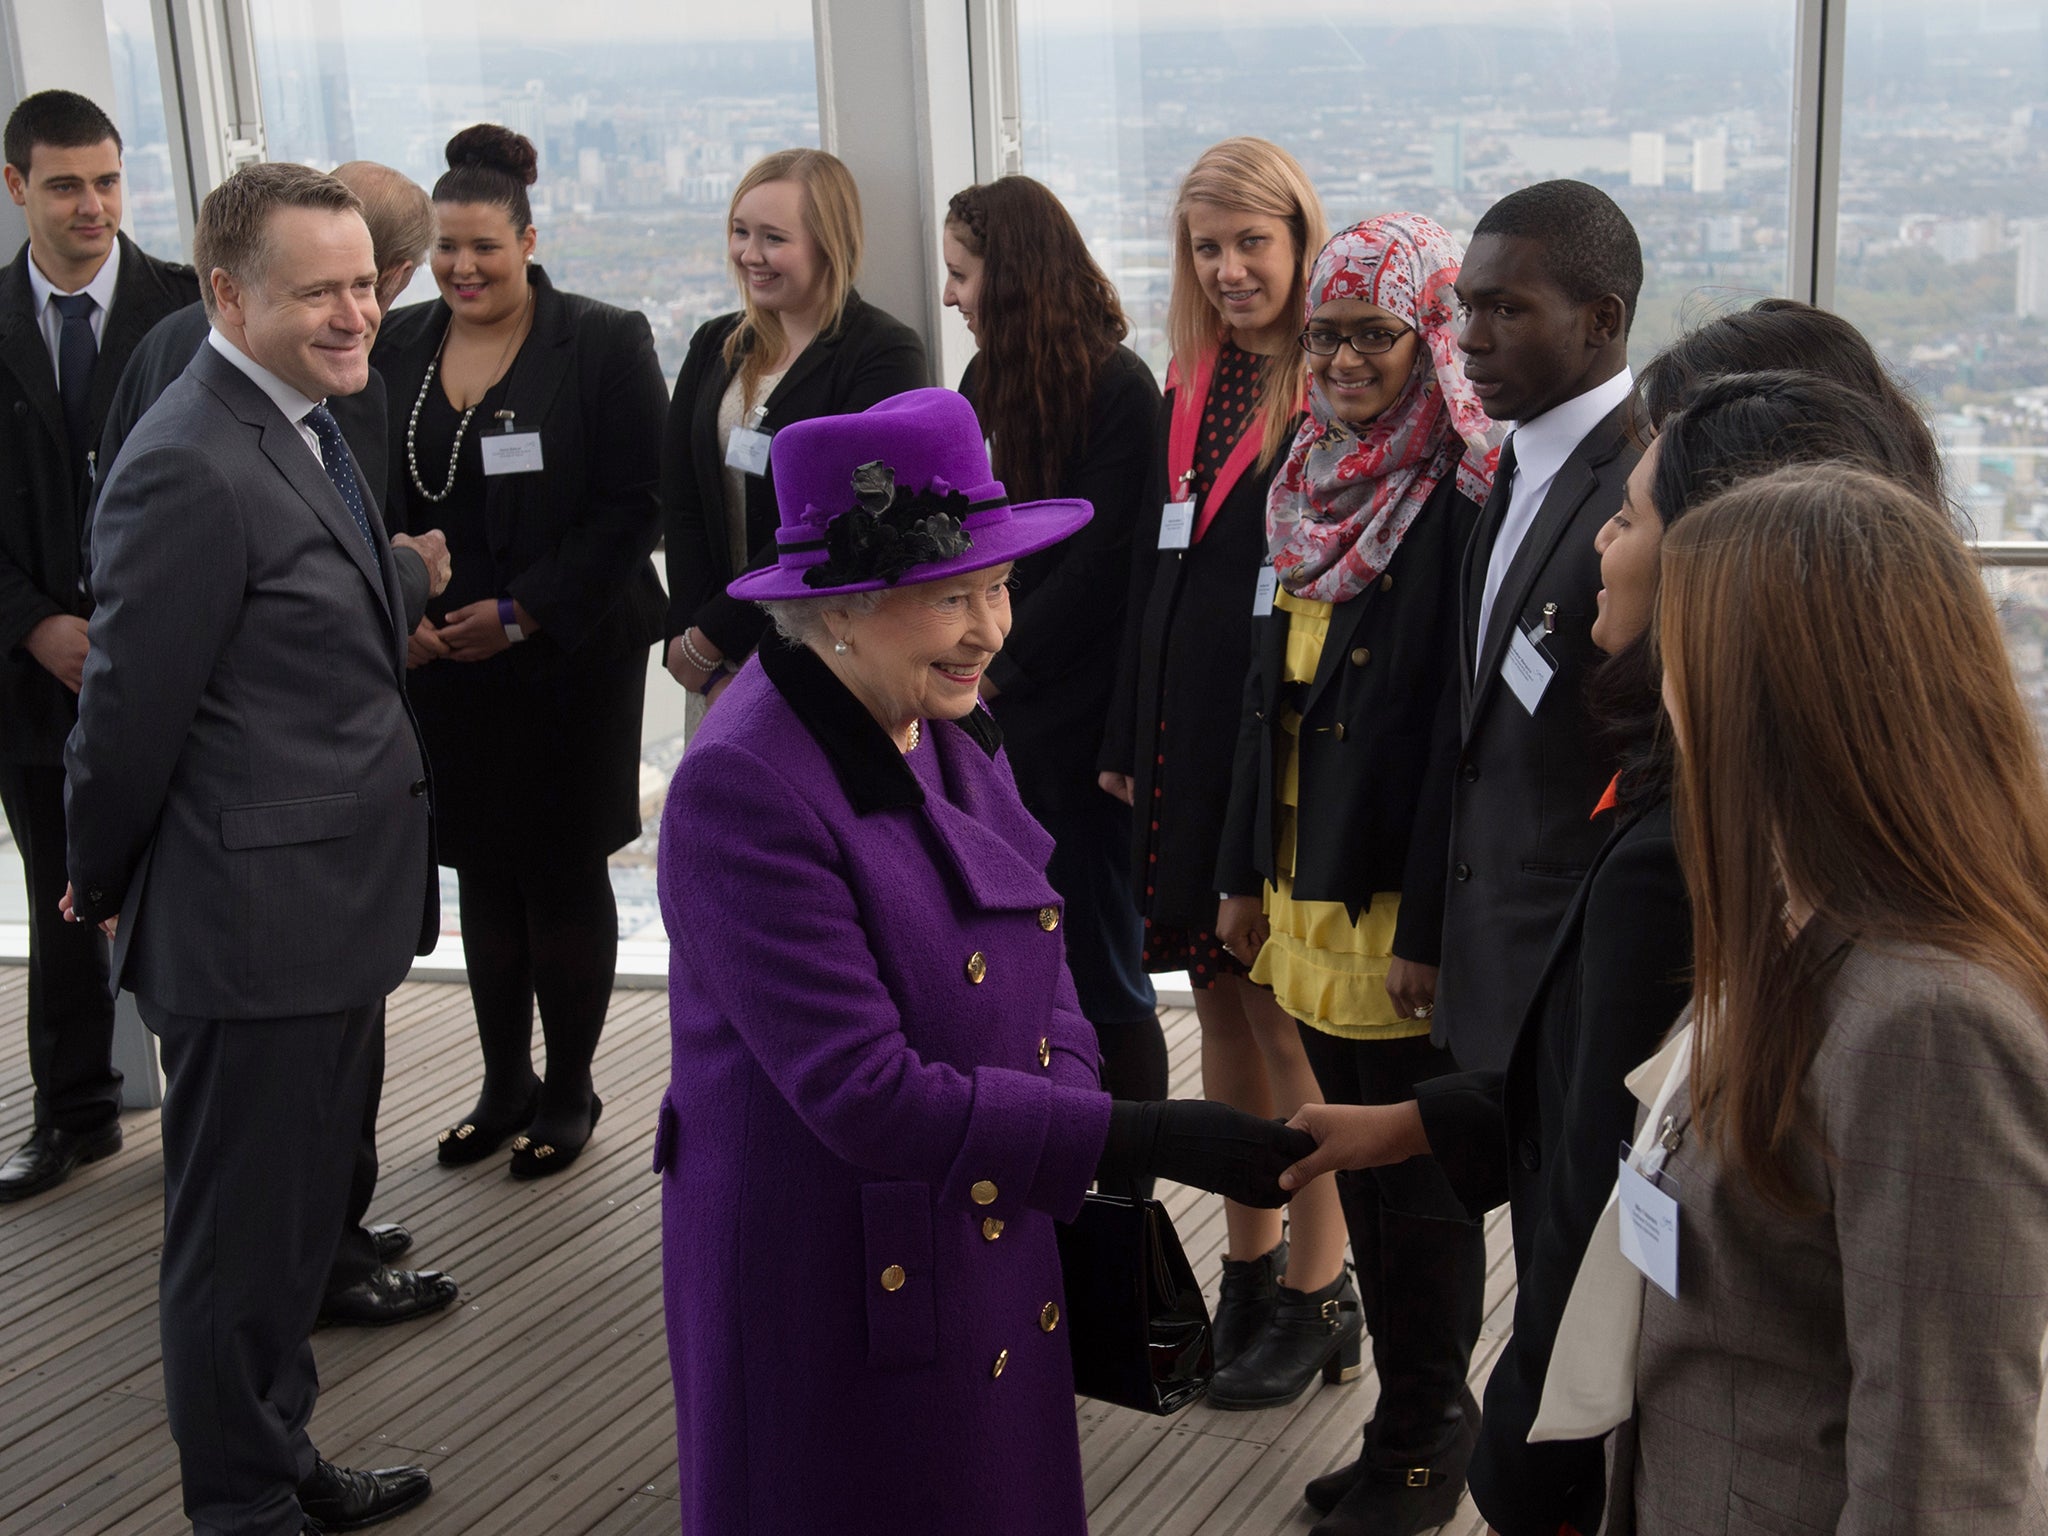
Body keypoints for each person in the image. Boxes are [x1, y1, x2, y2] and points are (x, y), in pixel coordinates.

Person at [1281, 361, 1949, 1536]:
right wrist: (1414, 1126)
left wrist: (1531, 1448)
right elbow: (1647, 1117)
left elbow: (1939, 1450)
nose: (1597, 540)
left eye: (1627, 517)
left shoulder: (1893, 991)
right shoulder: (1749, 852)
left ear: (1727, 580)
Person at [656, 387, 1313, 1535]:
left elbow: (1037, 941)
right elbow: (859, 1092)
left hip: (977, 1219)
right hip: (832, 1278)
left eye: (998, 584)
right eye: (952, 594)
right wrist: (1127, 1134)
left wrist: (1067, 1097)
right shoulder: (742, 787)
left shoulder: (936, 718)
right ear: (845, 608)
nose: (992, 627)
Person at [63, 161, 437, 1536]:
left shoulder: (302, 422)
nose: (356, 314)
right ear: (228, 295)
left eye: (362, 283)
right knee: (234, 1256)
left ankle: (280, 1457)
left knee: (284, 1247)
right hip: (249, 929)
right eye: (318, 291)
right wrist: (96, 879)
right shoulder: (188, 461)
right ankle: (243, 1506)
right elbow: (124, 716)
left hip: (323, 912)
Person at [1615, 463, 2048, 1532]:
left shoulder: (1926, 1019)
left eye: (1682, 650)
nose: (1661, 683)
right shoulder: (1799, 921)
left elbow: (1936, 1475)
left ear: (1769, 692)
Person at [1209, 215, 1497, 1527]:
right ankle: (1403, 1415)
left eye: (1372, 333)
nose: (1339, 357)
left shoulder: (1460, 502)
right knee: (1360, 1170)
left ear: (1429, 336)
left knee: (1415, 1184)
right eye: (1324, 332)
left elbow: (1461, 752)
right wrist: (1234, 876)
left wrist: (1432, 926)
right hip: (1305, 892)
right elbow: (1255, 695)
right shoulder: (1306, 476)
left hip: (1396, 911)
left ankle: (1432, 1435)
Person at [374, 124, 668, 1179]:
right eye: (447, 248)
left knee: (557, 867)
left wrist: (524, 612)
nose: (462, 267)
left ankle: (572, 1086)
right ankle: (502, 1083)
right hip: (442, 657)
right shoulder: (395, 346)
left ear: (529, 240)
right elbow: (368, 495)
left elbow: (636, 504)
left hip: (568, 655)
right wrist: (397, 606)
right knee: (480, 872)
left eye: (485, 248)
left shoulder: (598, 340)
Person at [1097, 135, 1334, 1370]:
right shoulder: (1187, 381)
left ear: (1299, 240)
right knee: (1219, 1016)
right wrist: (1132, 740)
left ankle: (1318, 1284)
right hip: (1185, 750)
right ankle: (1249, 1263)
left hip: (1274, 751)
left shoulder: (1330, 390)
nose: (1232, 267)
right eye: (1208, 246)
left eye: (1253, 241)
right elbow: (1158, 575)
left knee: (1284, 1022)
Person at [940, 175, 1165, 1188]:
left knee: (1103, 962)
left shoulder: (1118, 389)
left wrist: (997, 661)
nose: (950, 295)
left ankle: (1127, 1182)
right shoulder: (982, 386)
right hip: (1002, 709)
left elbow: (1101, 562)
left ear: (1012, 274)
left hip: (1075, 723)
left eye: (960, 272)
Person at [0, 89, 196, 1202]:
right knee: (58, 895)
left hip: (170, 662)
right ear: (18, 187)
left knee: (195, 889)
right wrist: (35, 623)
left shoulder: (184, 310)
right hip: (29, 675)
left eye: (109, 181)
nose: (93, 205)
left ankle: (207, 1117)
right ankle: (71, 1113)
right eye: (67, 184)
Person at [1437, 179, 1644, 1076]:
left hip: (1590, 967)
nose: (1470, 339)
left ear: (1601, 320)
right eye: (1464, 307)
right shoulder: (1516, 457)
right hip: (1494, 960)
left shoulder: (1648, 487)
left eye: (1505, 310)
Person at [661, 148, 926, 705]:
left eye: (774, 239)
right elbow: (683, 499)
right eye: (740, 232)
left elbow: (838, 514)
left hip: (819, 654)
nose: (750, 255)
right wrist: (689, 642)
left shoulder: (881, 352)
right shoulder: (715, 343)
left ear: (828, 244)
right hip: (710, 660)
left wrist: (720, 632)